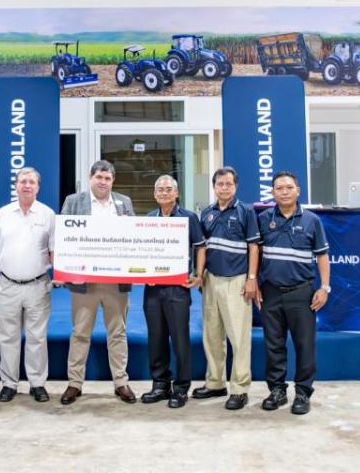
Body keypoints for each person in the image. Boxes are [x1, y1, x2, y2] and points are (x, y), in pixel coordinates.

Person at [59, 160, 136, 405]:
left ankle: (121, 382)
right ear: (90, 178)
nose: (103, 182)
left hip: (116, 282)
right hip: (85, 283)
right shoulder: (74, 202)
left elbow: (135, 237)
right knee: (80, 332)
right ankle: (74, 383)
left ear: (113, 181)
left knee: (118, 333)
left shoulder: (124, 203)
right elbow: (64, 239)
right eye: (99, 177)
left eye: (108, 178)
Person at [257, 171, 330, 416]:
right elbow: (255, 253)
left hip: (302, 293)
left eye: (289, 187)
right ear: (273, 192)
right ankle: (277, 390)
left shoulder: (312, 220)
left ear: (298, 190)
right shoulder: (264, 218)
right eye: (279, 188)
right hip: (270, 292)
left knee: (304, 345)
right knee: (273, 344)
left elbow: (322, 256)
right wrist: (254, 281)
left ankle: (302, 393)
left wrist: (324, 287)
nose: (284, 191)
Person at [0, 167, 55, 403]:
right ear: (16, 185)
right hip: (7, 284)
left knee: (37, 337)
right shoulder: (3, 213)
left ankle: (37, 383)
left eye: (31, 182)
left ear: (38, 187)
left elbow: (55, 251)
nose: (27, 185)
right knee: (7, 337)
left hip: (38, 285)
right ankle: (9, 383)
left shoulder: (47, 215)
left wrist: (66, 272)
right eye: (23, 181)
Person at [194, 166, 261, 410]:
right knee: (211, 335)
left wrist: (252, 278)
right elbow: (201, 247)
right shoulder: (207, 213)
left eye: (229, 184)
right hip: (211, 279)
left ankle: (240, 389)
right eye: (220, 184)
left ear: (236, 186)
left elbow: (254, 247)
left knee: (239, 337)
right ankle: (215, 383)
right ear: (214, 187)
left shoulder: (246, 212)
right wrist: (199, 275)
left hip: (237, 280)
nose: (224, 188)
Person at [141, 175, 205, 409]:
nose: (164, 193)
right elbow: (142, 250)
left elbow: (200, 247)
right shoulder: (148, 218)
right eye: (160, 189)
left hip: (178, 288)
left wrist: (198, 275)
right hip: (153, 289)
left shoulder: (188, 217)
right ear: (154, 194)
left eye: (169, 189)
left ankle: (181, 387)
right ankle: (160, 384)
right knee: (156, 338)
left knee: (179, 340)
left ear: (176, 193)